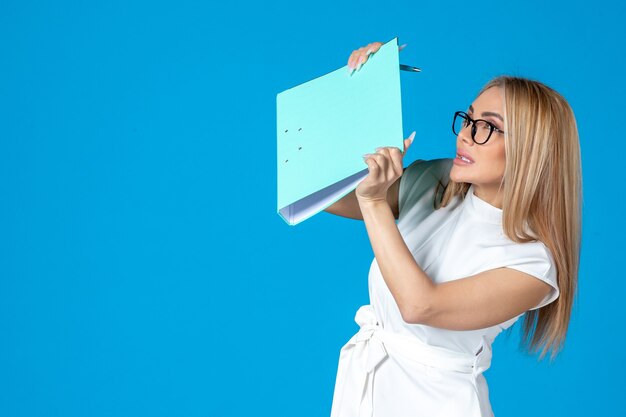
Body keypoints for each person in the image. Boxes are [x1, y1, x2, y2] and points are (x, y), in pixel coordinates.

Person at [323, 41, 581, 417]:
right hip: (366, 394)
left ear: (532, 153)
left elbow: (419, 305)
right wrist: (354, 95)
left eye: (488, 127)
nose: (464, 134)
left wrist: (375, 201)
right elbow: (320, 195)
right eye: (469, 119)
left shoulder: (533, 266)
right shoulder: (436, 180)